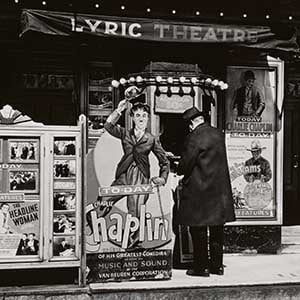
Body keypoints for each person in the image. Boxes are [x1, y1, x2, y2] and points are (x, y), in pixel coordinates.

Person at [96, 94, 169, 248]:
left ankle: (133, 247)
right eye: (137, 115)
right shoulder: (125, 133)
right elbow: (108, 126)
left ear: (148, 118)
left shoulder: (152, 139)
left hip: (141, 177)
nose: (141, 118)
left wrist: (162, 178)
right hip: (123, 174)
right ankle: (94, 233)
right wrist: (119, 110)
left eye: (144, 115)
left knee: (135, 211)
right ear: (133, 118)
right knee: (104, 201)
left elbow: (164, 161)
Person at [176, 107, 235, 277]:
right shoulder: (218, 134)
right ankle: (217, 266)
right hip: (219, 191)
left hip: (199, 190)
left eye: (189, 125)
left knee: (198, 229)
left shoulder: (194, 136)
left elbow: (186, 164)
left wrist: (179, 169)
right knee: (217, 230)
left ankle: (201, 267)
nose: (189, 128)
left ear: (193, 122)